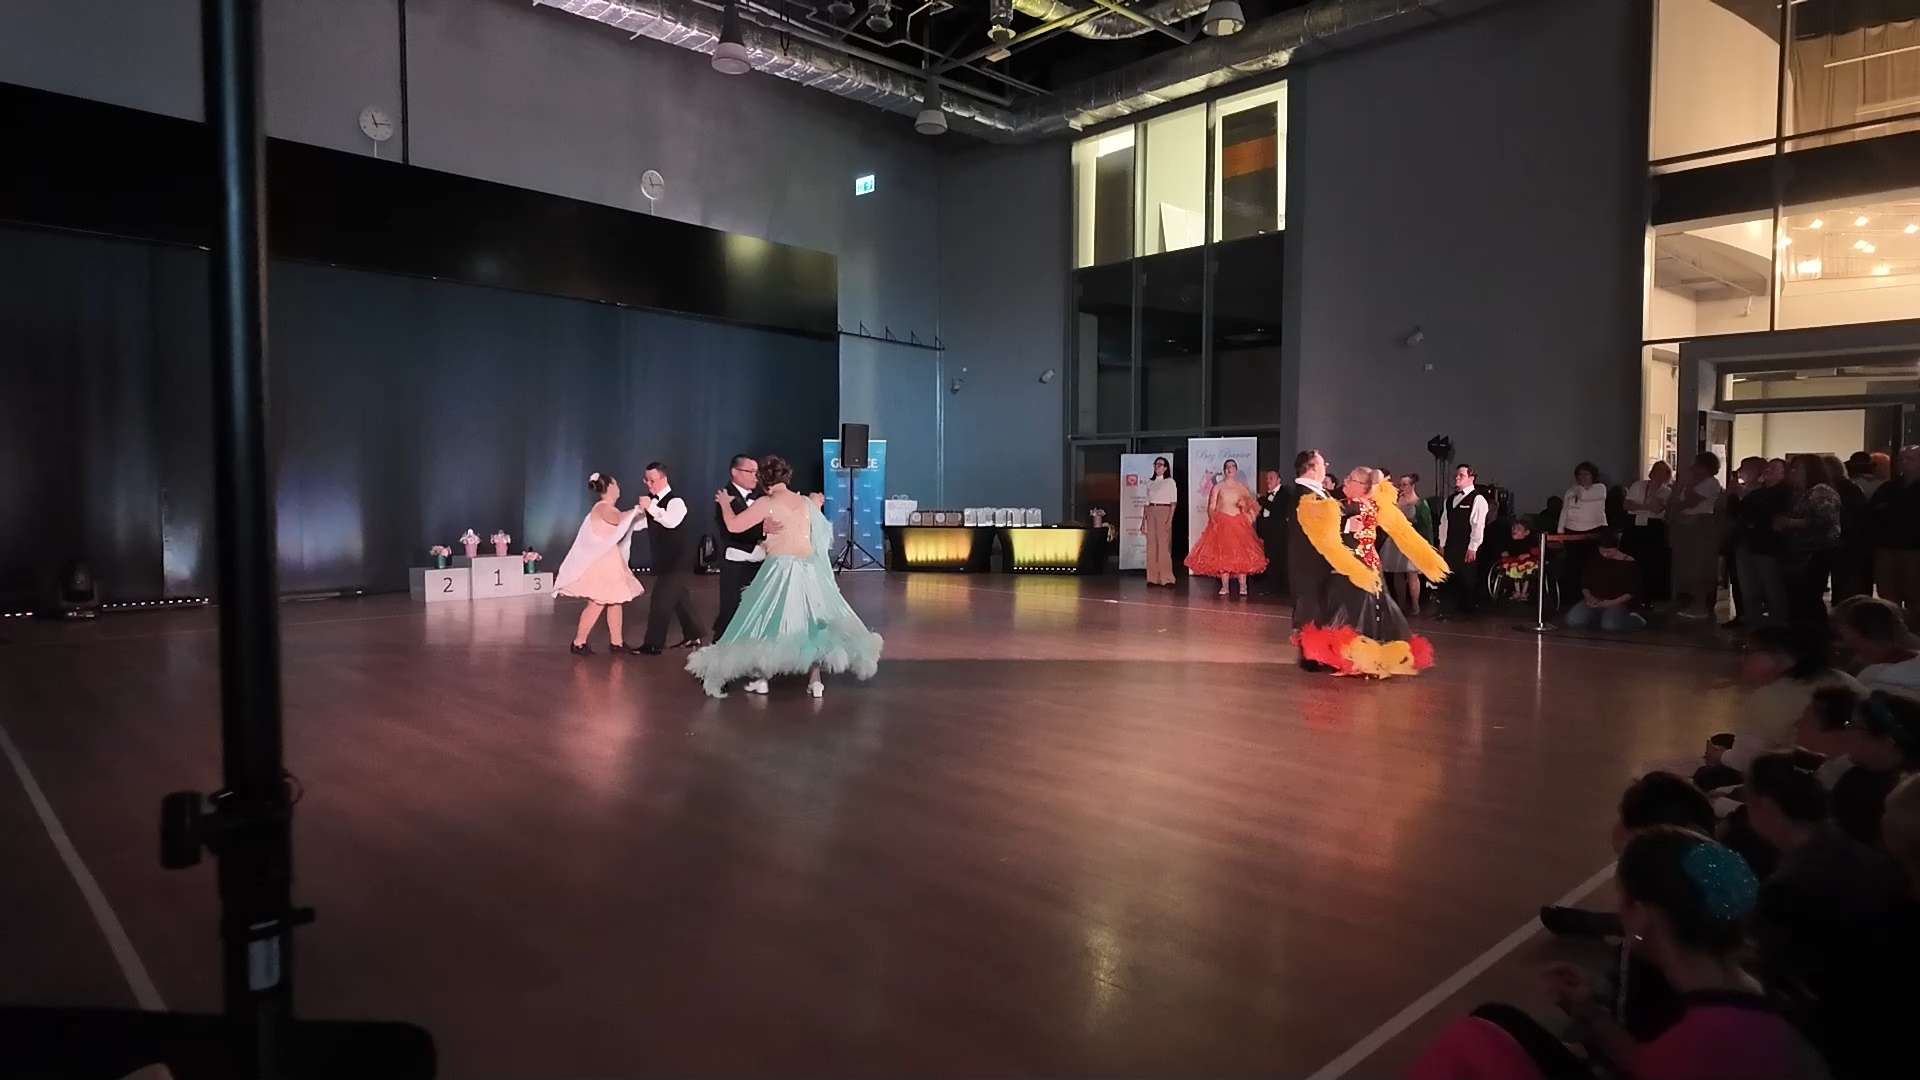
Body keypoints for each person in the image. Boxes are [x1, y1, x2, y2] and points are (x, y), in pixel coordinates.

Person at [1410, 828, 1827, 1080]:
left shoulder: (1697, 1045)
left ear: (1642, 916)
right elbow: (1649, 1062)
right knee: (1495, 1020)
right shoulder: (1750, 998)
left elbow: (1661, 1065)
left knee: (1469, 1045)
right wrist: (1592, 1015)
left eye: (1622, 900)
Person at [687, 455, 882, 698]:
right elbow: (820, 534)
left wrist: (725, 503)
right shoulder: (804, 502)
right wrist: (815, 504)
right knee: (812, 626)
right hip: (809, 572)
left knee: (765, 622)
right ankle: (815, 681)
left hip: (779, 571)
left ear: (764, 480)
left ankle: (762, 678)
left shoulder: (766, 503)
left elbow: (734, 526)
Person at [1290, 468, 1447, 678]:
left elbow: (1332, 519)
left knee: (1353, 616)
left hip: (1357, 570)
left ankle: (1356, 661)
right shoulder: (1366, 504)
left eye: (1351, 479)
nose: (1345, 480)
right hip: (1365, 567)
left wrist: (1338, 522)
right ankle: (1357, 660)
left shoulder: (1355, 506)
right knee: (1361, 615)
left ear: (1363, 487)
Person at [1695, 625, 1861, 791]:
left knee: (1706, 776)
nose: (1741, 659)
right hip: (1855, 767)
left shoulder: (1772, 695)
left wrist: (1719, 756)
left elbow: (1743, 761)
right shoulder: (1844, 679)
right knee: (1726, 740)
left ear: (1781, 656)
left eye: (1748, 651)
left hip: (1806, 775)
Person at [552, 471, 645, 655]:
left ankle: (616, 642)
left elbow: (623, 521)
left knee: (616, 600)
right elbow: (618, 520)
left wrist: (640, 512)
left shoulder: (606, 508)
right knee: (597, 602)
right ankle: (579, 642)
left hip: (609, 561)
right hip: (602, 563)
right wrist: (638, 509)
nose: (618, 487)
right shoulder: (602, 508)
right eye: (616, 484)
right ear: (609, 487)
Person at [635, 461, 708, 655]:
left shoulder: (676, 502)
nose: (648, 484)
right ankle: (694, 635)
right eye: (646, 480)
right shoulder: (652, 503)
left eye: (652, 480)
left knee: (660, 601)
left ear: (663, 479)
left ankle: (652, 645)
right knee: (680, 599)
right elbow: (639, 524)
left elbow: (670, 521)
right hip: (665, 560)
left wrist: (650, 507)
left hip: (678, 561)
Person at [1830, 689, 1920, 846]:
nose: (1846, 733)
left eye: (1855, 727)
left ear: (1887, 741)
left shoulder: (1897, 800)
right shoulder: (1857, 775)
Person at [1776, 454, 1842, 631]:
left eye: (1799, 468)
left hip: (1816, 551)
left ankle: (1815, 634)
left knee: (1809, 597)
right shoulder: (1799, 492)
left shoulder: (1821, 491)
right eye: (1793, 468)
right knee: (1798, 598)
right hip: (1799, 552)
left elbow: (1825, 520)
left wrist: (1791, 523)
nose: (1794, 472)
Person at [1183, 459, 1267, 596]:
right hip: (1223, 523)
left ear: (1236, 469)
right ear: (1224, 470)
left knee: (1241, 554)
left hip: (1239, 523)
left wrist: (1250, 517)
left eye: (1232, 466)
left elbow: (1248, 505)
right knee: (1223, 554)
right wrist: (1213, 519)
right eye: (1227, 466)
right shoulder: (1218, 487)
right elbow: (1211, 506)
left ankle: (1243, 585)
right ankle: (1225, 586)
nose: (1230, 469)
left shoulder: (1241, 486)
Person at [1285, 451, 1337, 671]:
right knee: (1309, 608)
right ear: (1312, 467)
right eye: (1323, 463)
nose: (1326, 466)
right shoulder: (1302, 494)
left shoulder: (1316, 491)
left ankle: (1317, 654)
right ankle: (1310, 657)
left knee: (1318, 608)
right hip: (1307, 563)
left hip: (1318, 563)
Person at [1731, 458, 1793, 630]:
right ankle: (1754, 625)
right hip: (1748, 542)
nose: (1768, 471)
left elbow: (1769, 515)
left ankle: (1777, 626)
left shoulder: (1786, 493)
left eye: (1774, 468)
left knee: (1772, 587)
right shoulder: (1757, 493)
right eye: (1768, 467)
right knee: (1749, 588)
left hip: (1768, 545)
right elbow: (1737, 511)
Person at [1669, 451, 1725, 621]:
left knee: (1700, 566)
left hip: (1701, 527)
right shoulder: (1694, 483)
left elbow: (1689, 502)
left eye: (1696, 465)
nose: (1692, 468)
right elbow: (1674, 503)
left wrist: (1685, 489)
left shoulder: (1710, 483)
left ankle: (1702, 604)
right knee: (1688, 566)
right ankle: (1691, 600)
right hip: (1686, 528)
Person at [713, 454, 764, 639]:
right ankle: (720, 647)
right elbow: (734, 531)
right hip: (736, 563)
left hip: (760, 562)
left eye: (756, 472)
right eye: (750, 471)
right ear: (735, 472)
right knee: (731, 608)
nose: (755, 476)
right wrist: (763, 530)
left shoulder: (761, 496)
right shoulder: (725, 497)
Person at [1867, 445, 1920, 623]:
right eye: (1901, 459)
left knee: (1915, 597)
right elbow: (1872, 514)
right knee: (1888, 598)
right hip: (1886, 548)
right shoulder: (1888, 488)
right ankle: (1893, 631)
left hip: (1915, 551)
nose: (1904, 463)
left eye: (1909, 459)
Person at [1831, 595, 1920, 692]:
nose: (1842, 631)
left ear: (1855, 632)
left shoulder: (1874, 679)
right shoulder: (1911, 658)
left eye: (1845, 627)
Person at [1435, 464, 1489, 620]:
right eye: (1457, 475)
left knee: (1467, 578)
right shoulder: (1450, 500)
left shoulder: (1478, 499)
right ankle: (1448, 610)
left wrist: (1473, 547)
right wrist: (1442, 544)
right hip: (1451, 545)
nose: (1457, 478)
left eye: (1461, 475)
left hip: (1466, 546)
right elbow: (1444, 524)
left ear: (1471, 478)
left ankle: (1467, 613)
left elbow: (1478, 525)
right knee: (1449, 578)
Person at [1565, 529, 1646, 632]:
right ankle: (1600, 618)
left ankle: (1635, 620)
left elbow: (1631, 591)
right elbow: (1585, 583)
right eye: (1602, 551)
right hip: (1595, 599)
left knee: (1610, 625)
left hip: (1618, 602)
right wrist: (1589, 597)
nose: (1605, 555)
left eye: (1609, 552)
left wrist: (1612, 602)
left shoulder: (1630, 564)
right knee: (1573, 620)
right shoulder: (1595, 560)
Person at [1379, 472, 1435, 617]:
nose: (1401, 487)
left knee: (1412, 574)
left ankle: (1415, 605)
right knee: (1397, 573)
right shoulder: (1396, 501)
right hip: (1396, 541)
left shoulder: (1420, 503)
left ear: (1412, 485)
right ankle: (1401, 604)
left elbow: (1427, 526)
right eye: (1400, 484)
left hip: (1411, 541)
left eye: (1404, 484)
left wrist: (1428, 547)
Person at [1624, 461, 1673, 602]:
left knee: (1652, 561)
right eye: (1657, 470)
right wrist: (1646, 506)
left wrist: (1653, 492)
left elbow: (1657, 509)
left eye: (1662, 471)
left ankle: (1651, 594)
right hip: (1635, 524)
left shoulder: (1666, 491)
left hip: (1654, 526)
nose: (1658, 474)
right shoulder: (1638, 485)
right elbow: (1627, 504)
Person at [1560, 461, 1611, 598]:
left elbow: (1584, 496)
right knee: (1573, 565)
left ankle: (1594, 593)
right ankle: (1573, 595)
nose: (1582, 477)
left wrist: (1578, 489)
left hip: (1594, 530)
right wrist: (1560, 531)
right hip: (1572, 530)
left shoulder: (1600, 488)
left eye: (1585, 474)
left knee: (1591, 564)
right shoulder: (1571, 491)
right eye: (1579, 474)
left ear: (1593, 475)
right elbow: (1565, 510)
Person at [1142, 456, 1177, 587]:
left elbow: (1173, 503)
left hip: (1164, 510)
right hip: (1151, 511)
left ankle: (1166, 578)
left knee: (1163, 545)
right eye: (1155, 464)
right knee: (1151, 545)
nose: (1157, 467)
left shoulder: (1170, 482)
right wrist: (1143, 521)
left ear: (1165, 468)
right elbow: (1146, 503)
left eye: (1160, 464)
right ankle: (1153, 578)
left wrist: (1169, 520)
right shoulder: (1151, 483)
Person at [1253, 467, 1289, 595]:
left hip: (1279, 534)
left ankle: (1280, 588)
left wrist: (1262, 500)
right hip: (1268, 534)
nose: (1268, 481)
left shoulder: (1284, 493)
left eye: (1271, 478)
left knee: (1278, 560)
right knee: (1269, 559)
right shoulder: (1268, 495)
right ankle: (1271, 587)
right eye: (1267, 478)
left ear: (1278, 480)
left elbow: (1278, 510)